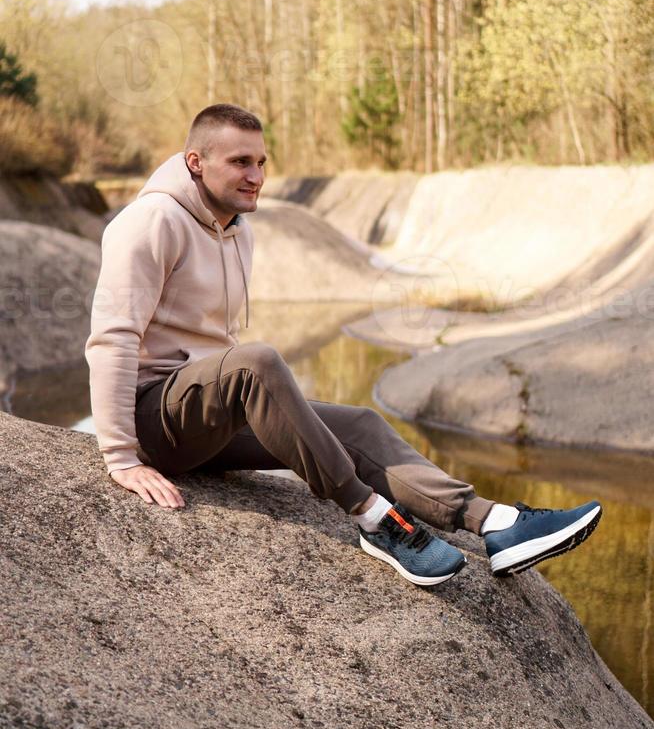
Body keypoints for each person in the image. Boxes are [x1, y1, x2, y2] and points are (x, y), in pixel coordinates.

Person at [85, 103, 602, 587]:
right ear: (195, 163)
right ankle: (375, 519)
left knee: (359, 424)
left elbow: (218, 342)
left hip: (208, 419)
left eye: (262, 162)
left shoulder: (237, 231)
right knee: (257, 362)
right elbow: (113, 339)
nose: (257, 176)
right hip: (156, 418)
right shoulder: (151, 221)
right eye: (240, 162)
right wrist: (121, 457)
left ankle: (497, 523)